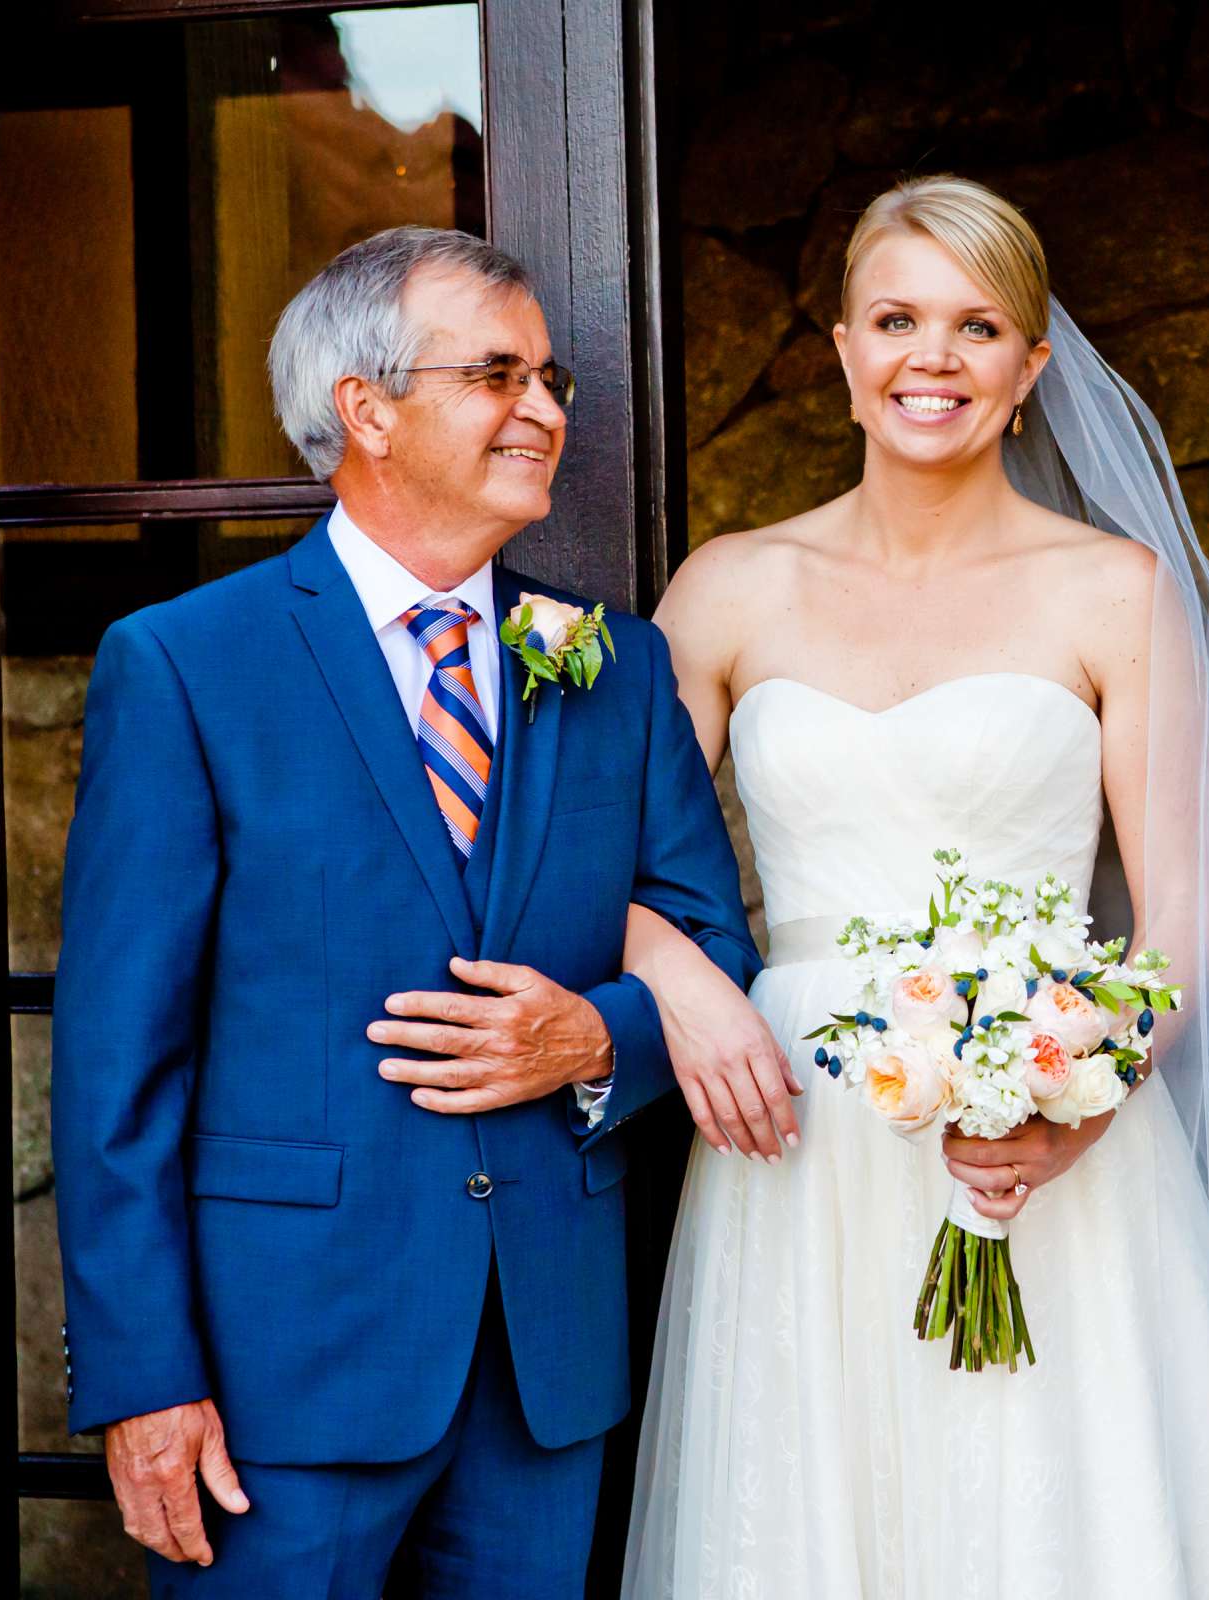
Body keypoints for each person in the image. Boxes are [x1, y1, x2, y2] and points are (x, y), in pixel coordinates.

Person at [617, 177, 1209, 1597]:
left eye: (977, 327)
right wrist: (683, 982)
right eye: (897, 318)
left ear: (1031, 368)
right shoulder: (728, 587)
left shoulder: (1115, 591)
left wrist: (1076, 1107)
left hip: (1052, 1144)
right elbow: (593, 857)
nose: (933, 358)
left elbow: (1185, 914)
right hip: (798, 1147)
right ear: (842, 348)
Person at [49, 225, 757, 1597]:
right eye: (498, 376)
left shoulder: (613, 663)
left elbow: (709, 943)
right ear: (366, 408)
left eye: (549, 378)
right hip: (278, 1375)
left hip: (543, 1365)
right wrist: (145, 1377)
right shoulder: (189, 666)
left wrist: (599, 1040)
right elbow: (116, 1065)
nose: (545, 410)